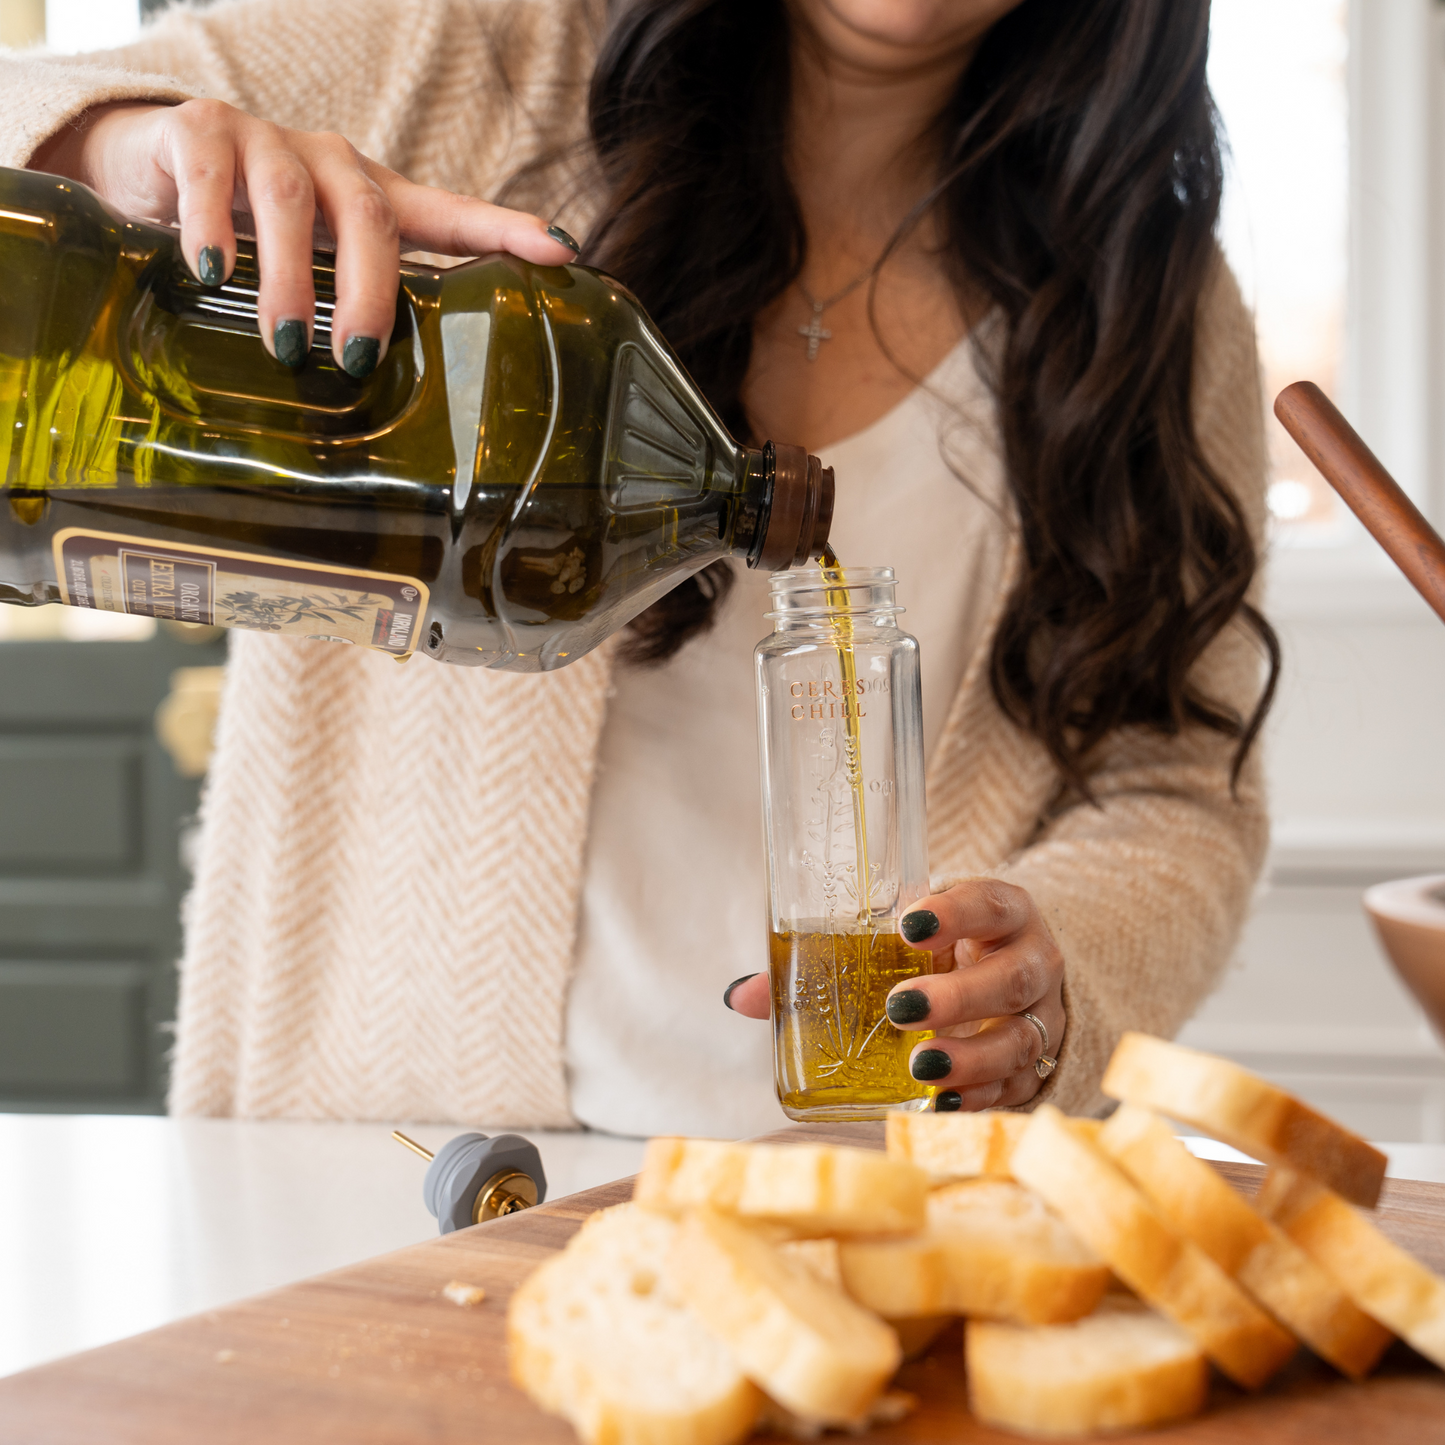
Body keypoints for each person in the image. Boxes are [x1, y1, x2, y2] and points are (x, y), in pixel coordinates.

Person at [2, 0, 1278, 1136]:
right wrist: (109, 151)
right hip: (377, 1169)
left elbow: (1172, 785)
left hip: (874, 1197)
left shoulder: (1147, 299)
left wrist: (1043, 976)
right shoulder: (461, 50)